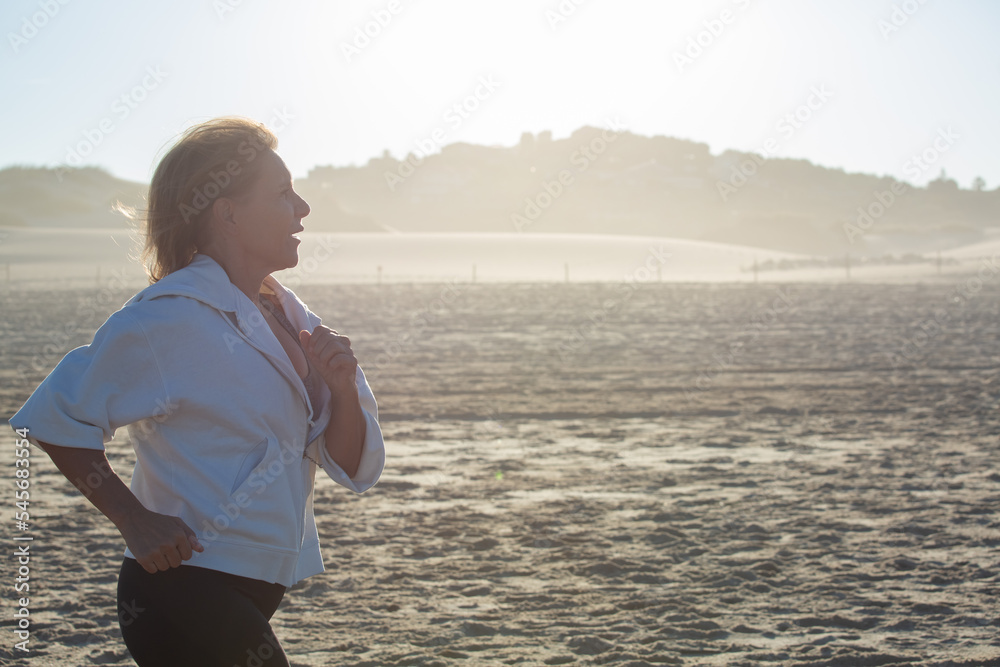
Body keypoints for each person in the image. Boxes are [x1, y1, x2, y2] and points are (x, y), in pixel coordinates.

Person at [8, 117, 385, 666]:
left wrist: (342, 389)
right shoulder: (170, 318)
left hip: (263, 577)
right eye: (283, 194)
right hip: (178, 585)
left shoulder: (289, 311)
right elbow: (53, 418)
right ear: (227, 212)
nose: (303, 209)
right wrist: (133, 518)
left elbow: (352, 466)